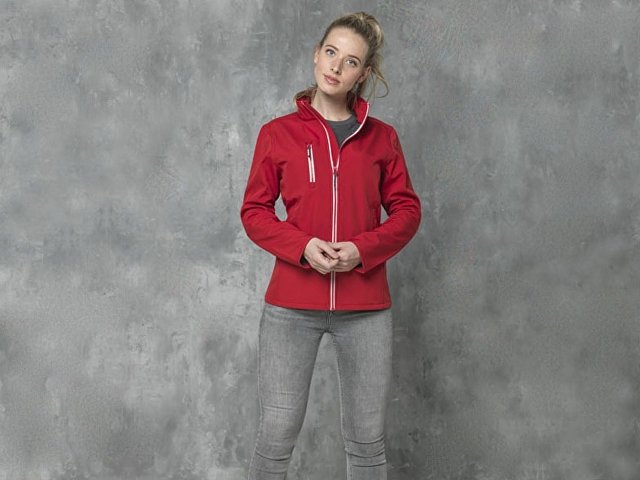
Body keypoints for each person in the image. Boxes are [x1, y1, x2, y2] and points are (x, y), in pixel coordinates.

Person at [240, 11, 421, 480]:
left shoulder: (383, 139)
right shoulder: (277, 134)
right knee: (276, 434)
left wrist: (363, 249)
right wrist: (302, 246)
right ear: (316, 55)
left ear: (364, 74)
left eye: (351, 61)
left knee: (366, 440)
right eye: (331, 52)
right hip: (290, 307)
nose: (337, 67)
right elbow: (254, 212)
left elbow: (407, 211)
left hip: (365, 309)